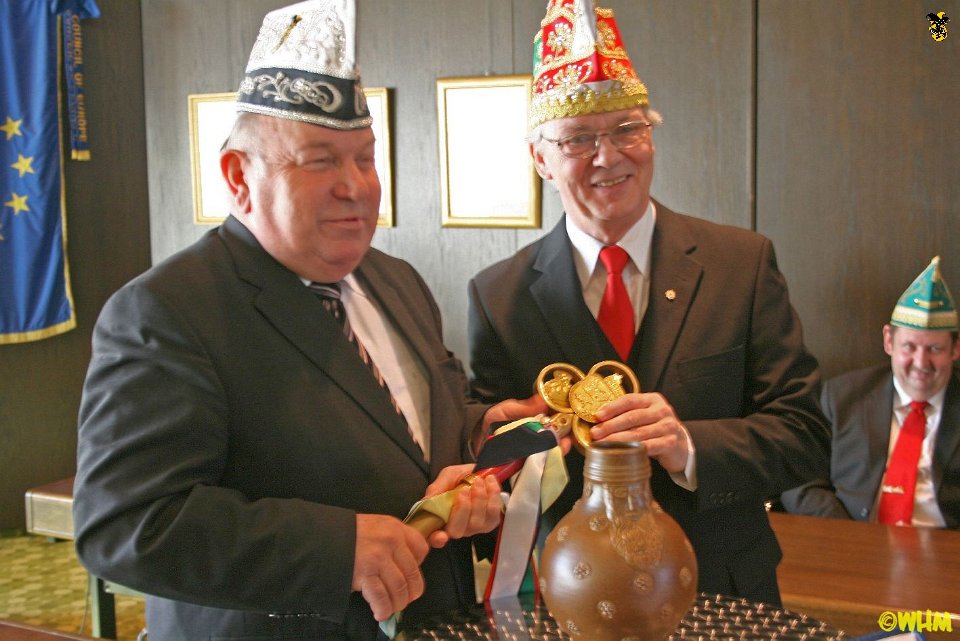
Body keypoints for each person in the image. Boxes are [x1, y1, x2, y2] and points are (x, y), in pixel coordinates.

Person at [72, 2, 544, 639]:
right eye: (321, 161)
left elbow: (408, 433)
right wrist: (337, 549)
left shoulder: (396, 281)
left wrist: (480, 437)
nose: (356, 187)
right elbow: (126, 525)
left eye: (366, 159)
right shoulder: (168, 311)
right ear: (239, 176)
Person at [467, 0, 830, 606]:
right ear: (540, 159)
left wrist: (688, 445)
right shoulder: (498, 295)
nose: (609, 156)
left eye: (627, 129)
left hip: (723, 590)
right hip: (575, 596)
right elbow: (491, 461)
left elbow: (805, 435)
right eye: (578, 138)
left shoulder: (741, 264)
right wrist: (516, 447)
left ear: (651, 137)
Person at [782, 257, 960, 528]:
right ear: (889, 341)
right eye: (909, 347)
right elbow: (798, 479)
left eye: (935, 349)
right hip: (855, 539)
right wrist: (851, 536)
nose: (921, 362)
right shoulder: (841, 396)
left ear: (955, 349)